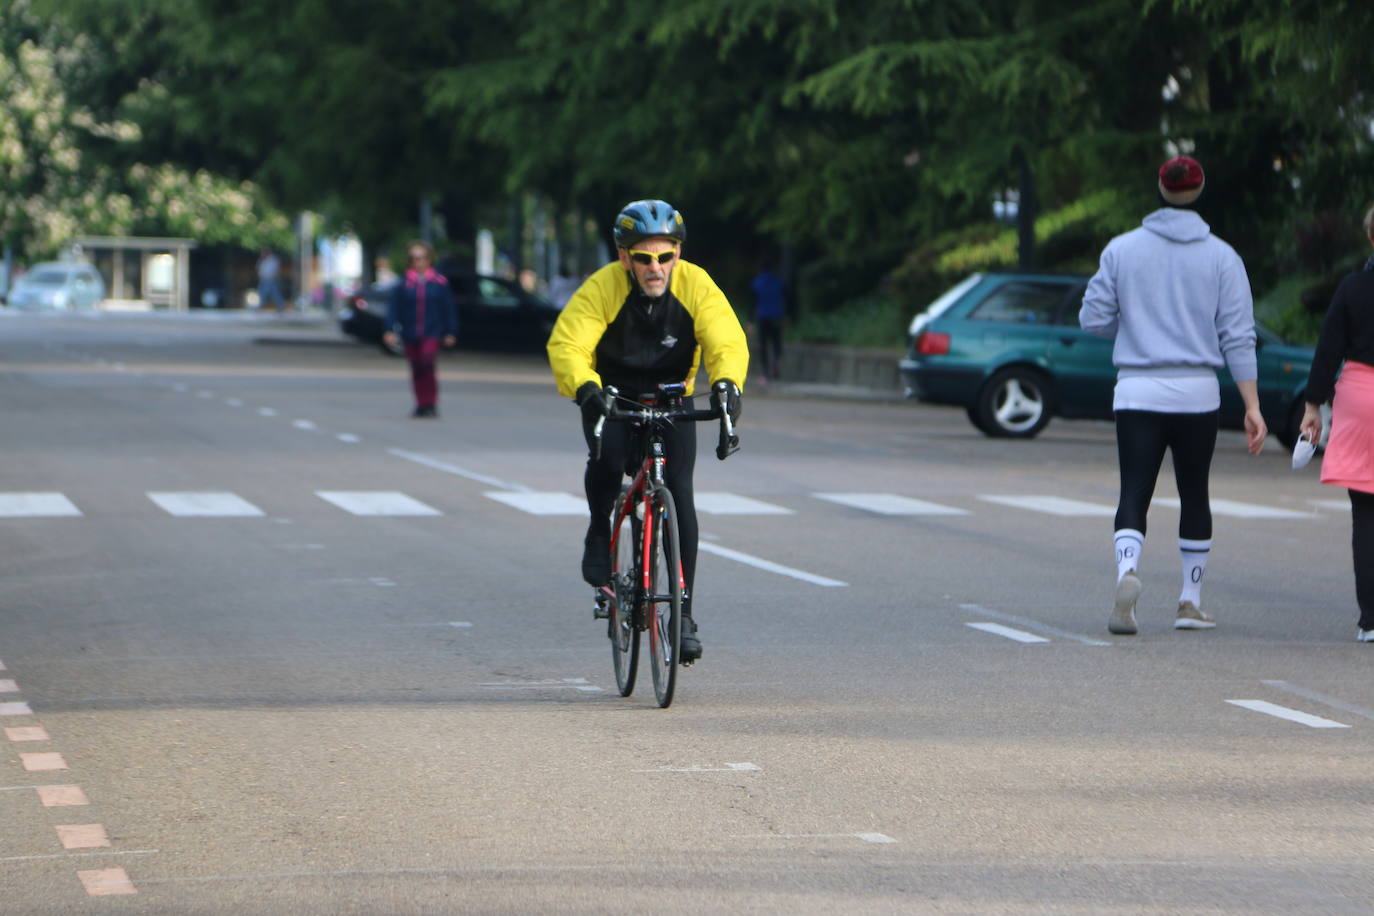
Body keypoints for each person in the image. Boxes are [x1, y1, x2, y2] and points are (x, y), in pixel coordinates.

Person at [546, 199, 749, 662]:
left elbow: (725, 338)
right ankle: (600, 531)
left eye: (665, 256)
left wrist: (725, 383)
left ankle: (684, 615)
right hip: (613, 396)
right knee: (608, 456)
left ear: (677, 254)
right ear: (625, 258)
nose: (655, 267)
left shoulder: (696, 284)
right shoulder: (602, 287)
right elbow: (569, 343)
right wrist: (585, 387)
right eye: (643, 258)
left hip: (673, 396)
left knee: (679, 491)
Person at [1080, 155, 1267, 635]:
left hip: (1138, 388)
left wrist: (1136, 324)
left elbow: (1093, 318)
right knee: (1194, 492)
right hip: (1196, 393)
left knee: (1134, 491)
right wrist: (1251, 405)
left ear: (1160, 189)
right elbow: (1238, 334)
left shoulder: (1121, 249)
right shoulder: (1222, 256)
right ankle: (1190, 600)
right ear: (1199, 191)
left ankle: (1127, 575)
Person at [1298, 203, 1374, 642]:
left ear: (1369, 237)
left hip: (1361, 395)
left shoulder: (1352, 287)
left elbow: (1328, 350)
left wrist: (1313, 405)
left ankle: (1371, 619)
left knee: (1366, 512)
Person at [383, 241, 458, 418]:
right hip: (410, 331)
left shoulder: (439, 283)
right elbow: (394, 308)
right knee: (416, 367)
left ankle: (430, 401)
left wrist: (451, 332)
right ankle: (420, 403)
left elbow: (448, 309)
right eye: (415, 259)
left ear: (429, 259)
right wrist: (389, 330)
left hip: (432, 331)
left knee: (427, 361)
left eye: (423, 258)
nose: (419, 262)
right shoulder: (404, 284)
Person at [749, 257, 786, 384]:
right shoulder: (778, 281)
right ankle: (776, 361)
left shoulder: (757, 282)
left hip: (763, 317)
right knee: (776, 343)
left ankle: (765, 374)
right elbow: (786, 298)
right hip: (776, 317)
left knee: (763, 346)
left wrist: (750, 321)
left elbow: (753, 302)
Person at [256, 248, 285, 312]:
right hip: (265, 279)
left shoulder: (272, 260)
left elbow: (273, 270)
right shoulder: (264, 260)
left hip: (270, 279)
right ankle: (280, 305)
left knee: (264, 293)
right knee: (273, 293)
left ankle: (260, 306)